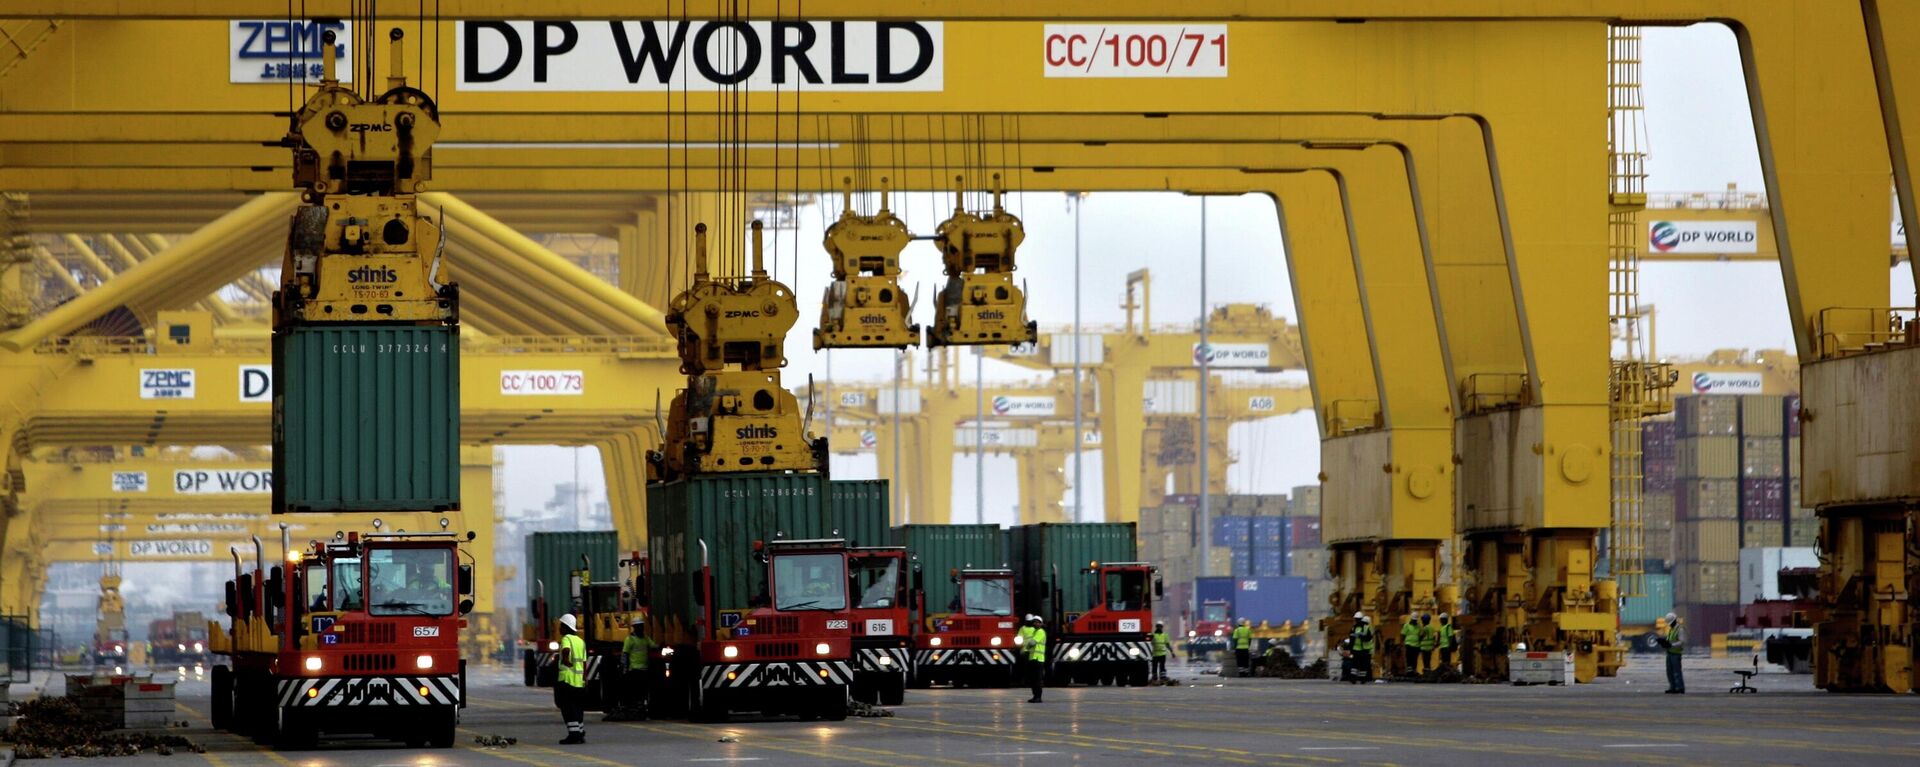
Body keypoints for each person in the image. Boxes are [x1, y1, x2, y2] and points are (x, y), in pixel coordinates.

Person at [555, 613, 587, 744]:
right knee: (578, 708)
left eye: (561, 626)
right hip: (579, 681)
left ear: (566, 627)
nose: (559, 628)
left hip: (567, 680)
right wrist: (585, 679)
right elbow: (584, 663)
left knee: (568, 708)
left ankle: (573, 735)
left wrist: (566, 660)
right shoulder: (581, 641)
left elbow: (566, 650)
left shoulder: (566, 638)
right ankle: (580, 732)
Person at [617, 615, 656, 718]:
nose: (641, 628)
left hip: (644, 669)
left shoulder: (645, 638)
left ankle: (641, 706)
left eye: (642, 626)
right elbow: (625, 655)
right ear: (634, 627)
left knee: (643, 690)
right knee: (636, 690)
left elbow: (654, 646)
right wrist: (624, 670)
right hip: (634, 670)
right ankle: (636, 707)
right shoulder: (630, 639)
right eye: (638, 626)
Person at [1658, 612, 1686, 694]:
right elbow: (1669, 639)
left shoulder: (1680, 629)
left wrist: (1671, 645)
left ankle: (1680, 687)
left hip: (1676, 654)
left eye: (1671, 623)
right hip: (1669, 653)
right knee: (1669, 672)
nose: (1670, 625)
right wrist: (1664, 642)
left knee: (1676, 672)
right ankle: (1673, 687)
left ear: (1674, 621)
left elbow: (1681, 642)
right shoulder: (1671, 630)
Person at [1024, 615, 1047, 702]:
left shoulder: (1040, 632)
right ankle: (1035, 696)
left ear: (1041, 623)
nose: (1035, 623)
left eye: (1037, 622)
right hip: (1033, 658)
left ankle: (1038, 697)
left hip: (1038, 659)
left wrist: (1028, 644)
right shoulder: (1035, 632)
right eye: (1034, 622)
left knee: (1037, 679)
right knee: (1033, 679)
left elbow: (1032, 643)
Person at [1347, 612, 1375, 684]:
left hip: (1356, 649)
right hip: (1364, 650)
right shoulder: (1366, 627)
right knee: (1363, 665)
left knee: (1355, 665)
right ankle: (1363, 679)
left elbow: (1351, 639)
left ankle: (1353, 679)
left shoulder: (1354, 627)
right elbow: (1369, 638)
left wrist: (1350, 649)